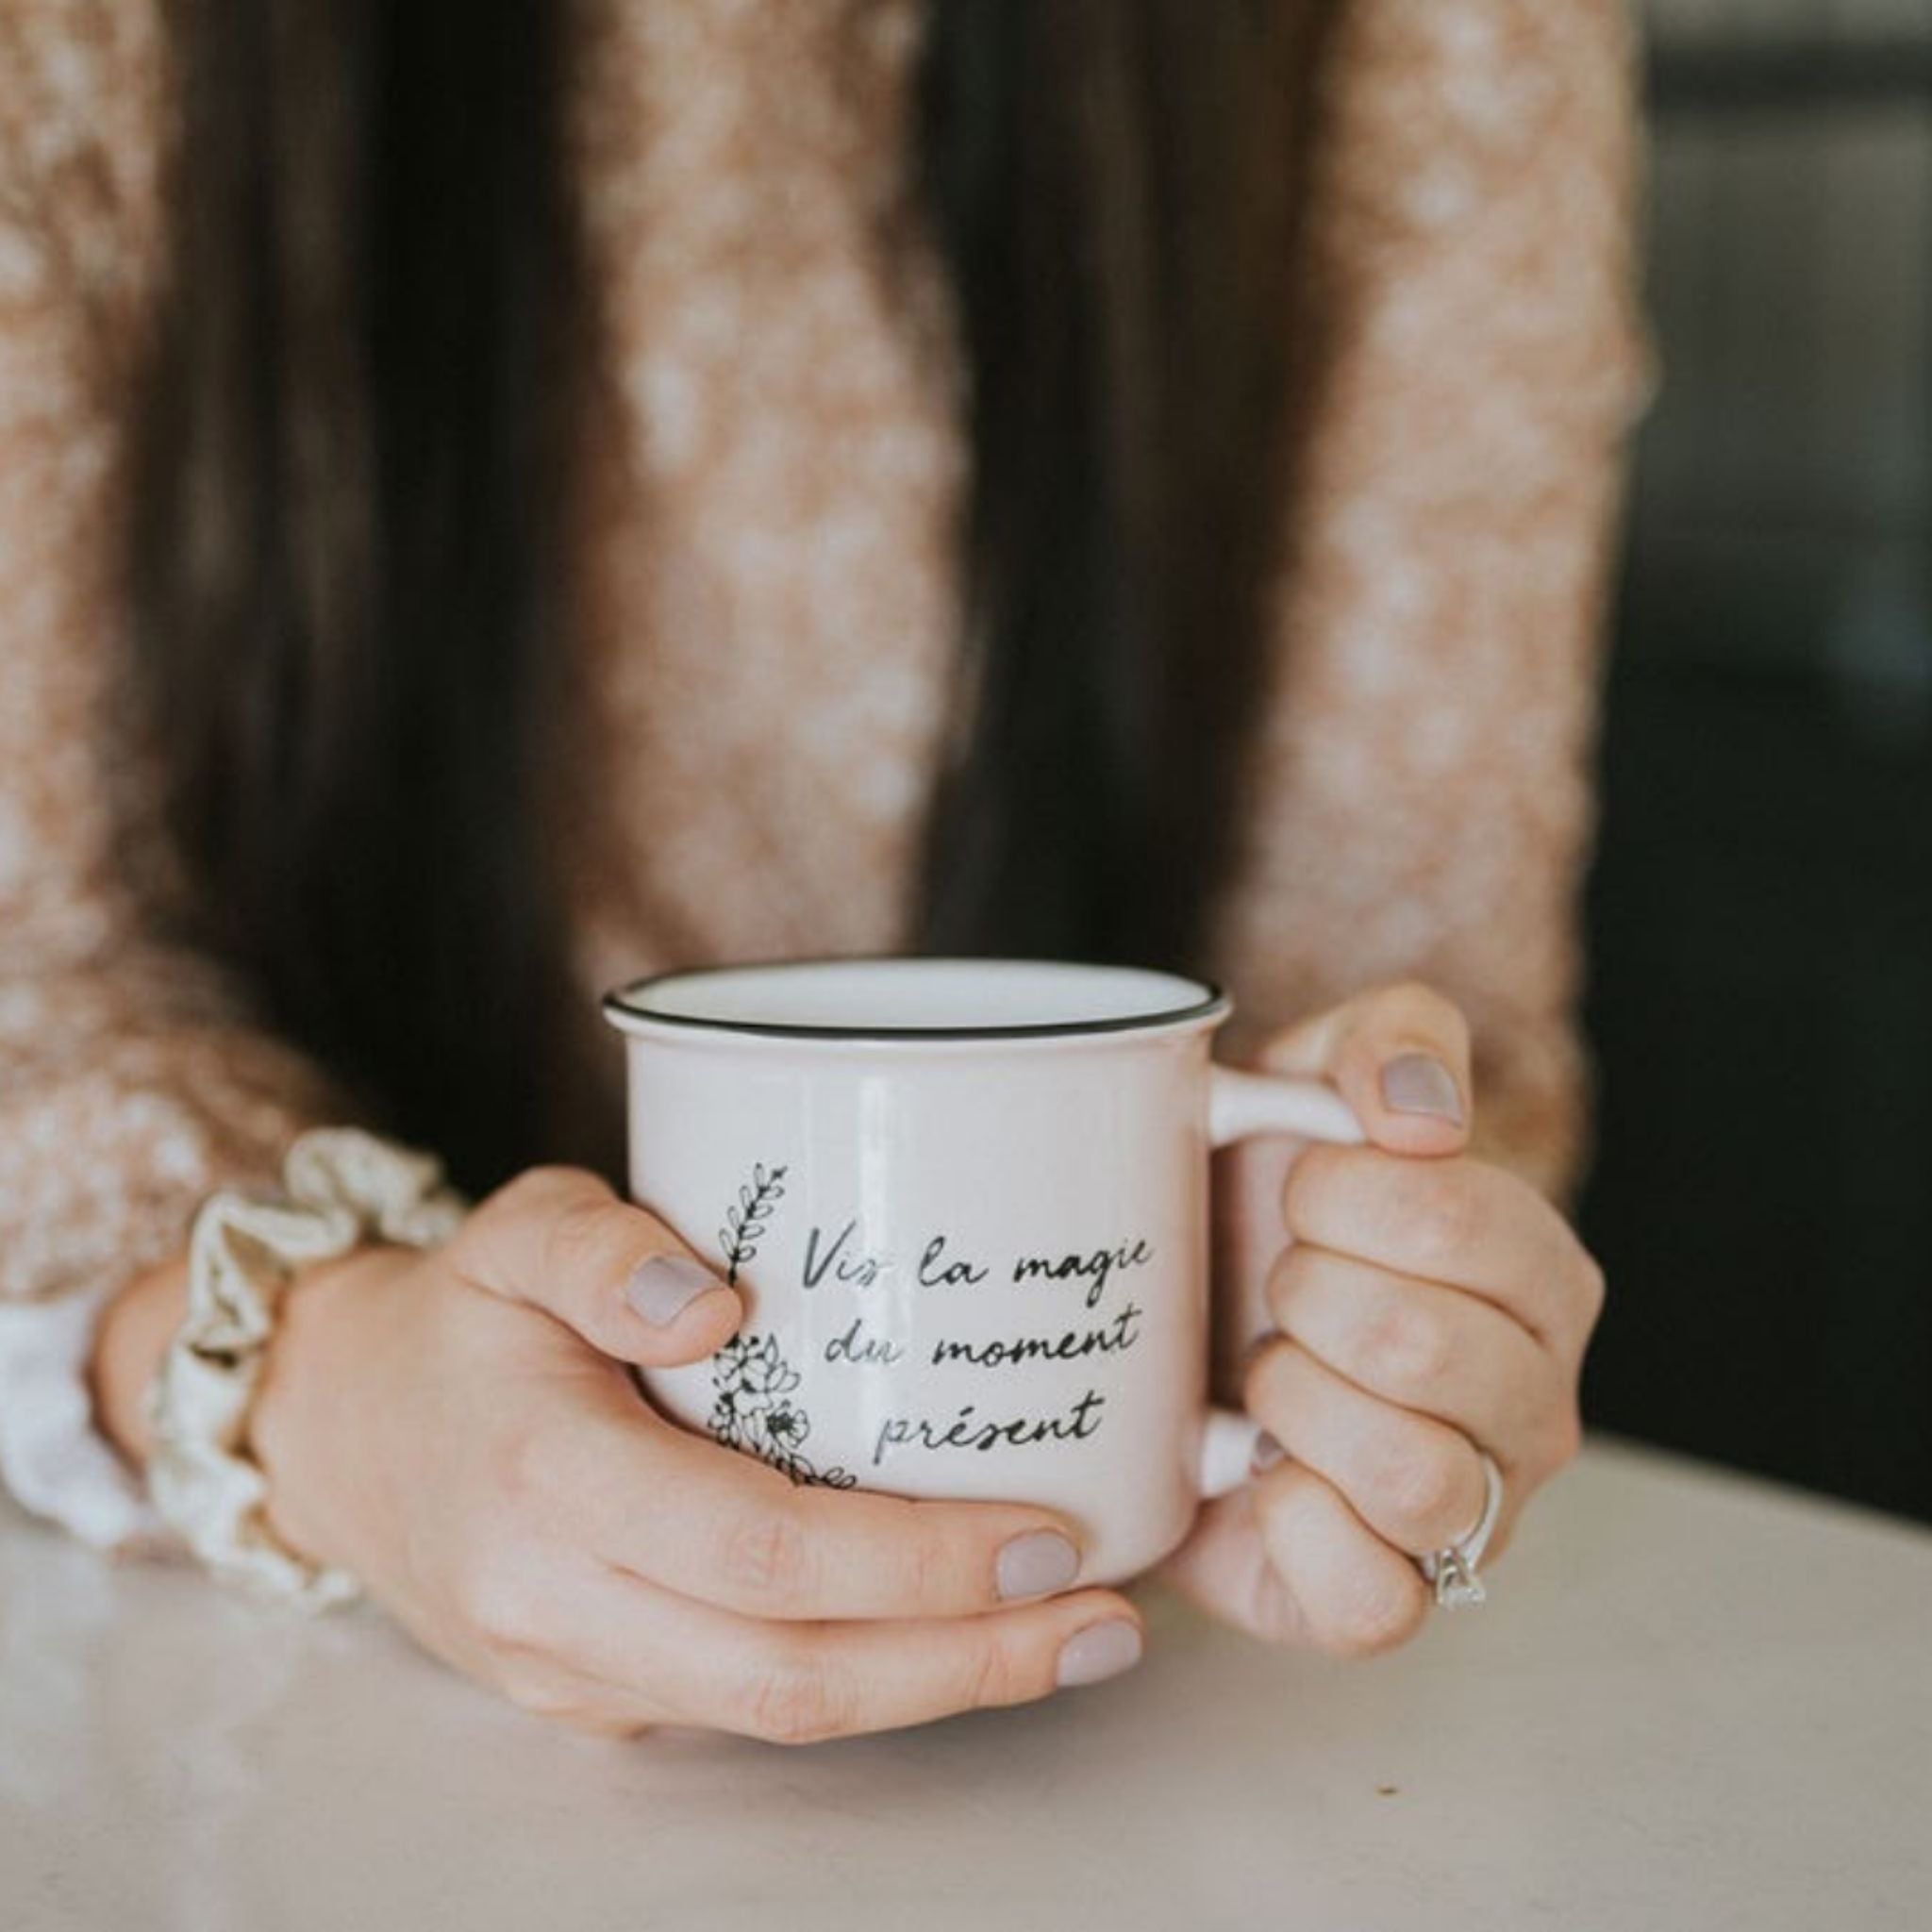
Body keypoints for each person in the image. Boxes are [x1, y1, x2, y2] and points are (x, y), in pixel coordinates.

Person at [0, 0, 1641, 1741]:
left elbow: (1405, 980)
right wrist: (326, 1391)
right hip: (239, 1715)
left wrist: (1355, 1305)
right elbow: (32, 962)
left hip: (1152, 1728)